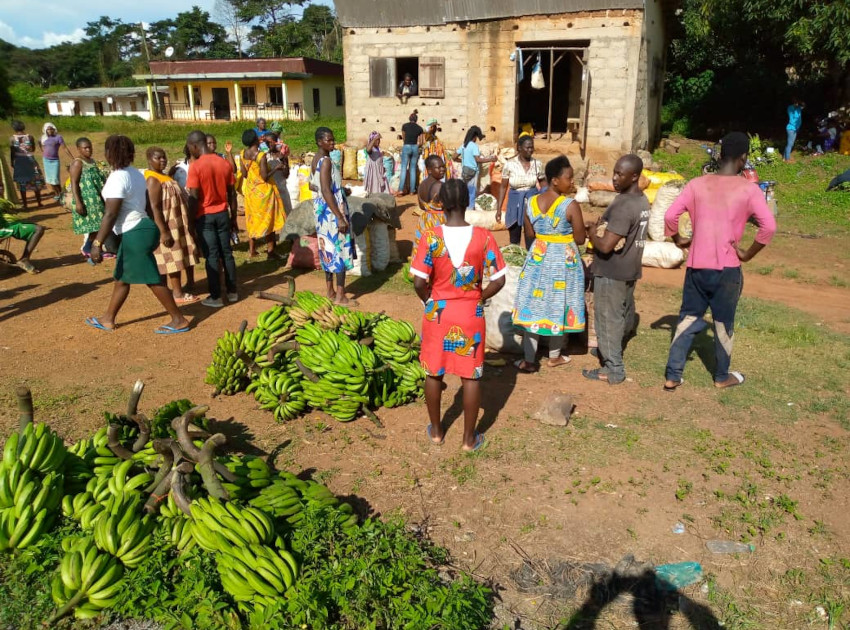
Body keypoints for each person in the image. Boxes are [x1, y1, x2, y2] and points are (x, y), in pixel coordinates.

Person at [663, 132, 777, 392]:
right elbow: (768, 227)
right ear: (744, 158)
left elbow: (670, 216)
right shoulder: (749, 189)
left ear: (720, 155)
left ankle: (672, 375)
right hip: (727, 269)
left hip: (696, 266)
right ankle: (722, 376)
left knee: (688, 318)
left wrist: (678, 240)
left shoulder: (696, 184)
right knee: (723, 323)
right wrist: (747, 254)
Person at [411, 179, 507, 452]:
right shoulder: (483, 237)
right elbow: (499, 278)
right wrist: (479, 297)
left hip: (438, 313)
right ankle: (468, 438)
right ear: (467, 202)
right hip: (470, 313)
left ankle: (438, 432)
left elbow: (418, 281)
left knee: (434, 373)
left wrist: (430, 301)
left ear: (440, 203)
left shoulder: (431, 237)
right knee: (471, 375)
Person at [85, 135, 190, 334]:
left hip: (135, 231)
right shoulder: (135, 173)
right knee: (123, 276)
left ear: (110, 154)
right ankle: (108, 318)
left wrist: (97, 243)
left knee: (152, 278)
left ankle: (179, 319)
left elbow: (110, 213)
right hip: (141, 228)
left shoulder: (118, 177)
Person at [512, 156, 586, 372]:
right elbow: (580, 239)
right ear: (555, 180)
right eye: (569, 178)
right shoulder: (570, 205)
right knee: (559, 302)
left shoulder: (531, 203)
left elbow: (529, 234)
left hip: (538, 256)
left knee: (532, 304)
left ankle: (529, 359)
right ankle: (554, 356)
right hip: (563, 261)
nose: (572, 182)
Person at [582, 154, 649, 385]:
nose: (615, 178)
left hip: (612, 271)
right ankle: (610, 350)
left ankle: (613, 369)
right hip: (630, 267)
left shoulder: (623, 205)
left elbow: (606, 245)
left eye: (620, 174)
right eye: (615, 172)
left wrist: (591, 231)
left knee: (607, 317)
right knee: (622, 313)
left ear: (635, 176)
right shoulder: (642, 200)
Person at [185, 129, 239, 308]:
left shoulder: (196, 166)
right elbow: (232, 193)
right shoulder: (224, 163)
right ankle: (232, 292)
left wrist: (190, 222)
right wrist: (233, 217)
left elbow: (193, 197)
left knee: (212, 256)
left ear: (194, 146)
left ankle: (215, 296)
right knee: (227, 253)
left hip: (205, 216)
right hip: (223, 213)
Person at [144, 147, 200, 305]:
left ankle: (168, 290)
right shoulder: (151, 179)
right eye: (158, 158)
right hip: (167, 224)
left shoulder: (162, 176)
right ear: (149, 160)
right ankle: (177, 293)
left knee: (175, 256)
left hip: (176, 223)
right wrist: (163, 231)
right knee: (172, 259)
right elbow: (154, 207)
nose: (163, 160)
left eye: (164, 157)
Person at [311, 127, 354, 304]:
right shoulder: (327, 161)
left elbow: (314, 186)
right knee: (340, 250)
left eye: (332, 139)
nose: (332, 142)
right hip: (331, 212)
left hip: (321, 212)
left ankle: (329, 291)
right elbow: (326, 190)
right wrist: (339, 216)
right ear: (320, 142)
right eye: (328, 140)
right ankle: (340, 295)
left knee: (326, 249)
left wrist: (340, 190)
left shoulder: (316, 159)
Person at [240, 129, 285, 259]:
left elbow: (244, 174)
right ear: (256, 140)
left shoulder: (243, 153)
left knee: (252, 219)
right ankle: (271, 251)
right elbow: (264, 177)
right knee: (268, 220)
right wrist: (276, 168)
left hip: (250, 191)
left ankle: (252, 250)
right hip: (264, 192)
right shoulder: (261, 156)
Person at [496, 135, 545, 247]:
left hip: (532, 202)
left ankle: (530, 258)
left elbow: (543, 185)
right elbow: (503, 187)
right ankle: (515, 256)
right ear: (519, 148)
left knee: (531, 236)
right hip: (515, 202)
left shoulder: (537, 164)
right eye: (527, 148)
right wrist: (498, 209)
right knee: (514, 236)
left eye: (532, 147)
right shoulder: (510, 165)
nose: (530, 150)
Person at [69, 137, 107, 260]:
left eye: (90, 147)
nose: (88, 149)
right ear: (78, 149)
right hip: (87, 200)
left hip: (96, 197)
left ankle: (90, 247)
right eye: (85, 148)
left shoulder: (92, 161)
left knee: (99, 225)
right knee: (95, 226)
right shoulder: (77, 163)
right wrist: (78, 203)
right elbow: (74, 183)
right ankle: (88, 248)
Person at [413, 155, 446, 255]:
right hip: (438, 222)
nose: (442, 169)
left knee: (424, 252)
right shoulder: (440, 186)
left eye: (443, 166)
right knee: (439, 253)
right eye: (438, 167)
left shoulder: (422, 184)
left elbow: (422, 206)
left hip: (425, 221)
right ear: (429, 170)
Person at [9, 120, 43, 210]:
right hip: (31, 160)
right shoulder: (30, 137)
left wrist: (12, 162)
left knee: (22, 182)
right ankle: (39, 202)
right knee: (35, 181)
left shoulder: (12, 139)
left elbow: (13, 152)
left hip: (20, 161)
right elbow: (33, 149)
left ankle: (25, 204)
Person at [460, 126, 496, 211]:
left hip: (464, 171)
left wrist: (463, 161)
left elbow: (454, 157)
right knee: (472, 192)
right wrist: (491, 159)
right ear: (475, 136)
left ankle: (463, 210)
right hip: (472, 172)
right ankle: (470, 210)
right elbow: (478, 159)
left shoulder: (463, 145)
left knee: (464, 191)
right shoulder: (474, 146)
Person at [39, 122, 74, 204]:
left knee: (55, 179)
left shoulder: (58, 137)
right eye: (48, 129)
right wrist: (42, 151)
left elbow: (64, 148)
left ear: (54, 129)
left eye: (51, 129)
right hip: (46, 160)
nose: (50, 131)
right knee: (50, 179)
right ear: (45, 130)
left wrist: (73, 158)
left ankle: (61, 194)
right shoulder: (43, 138)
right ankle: (57, 194)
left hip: (54, 161)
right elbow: (39, 144)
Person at [265, 132, 293, 219]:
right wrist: (276, 168)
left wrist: (284, 161)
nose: (269, 144)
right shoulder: (265, 157)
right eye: (267, 142)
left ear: (276, 142)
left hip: (282, 189)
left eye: (271, 142)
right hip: (270, 190)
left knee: (287, 215)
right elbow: (264, 177)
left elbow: (286, 175)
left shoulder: (282, 156)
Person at [398, 111, 424, 196]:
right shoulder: (419, 128)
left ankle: (401, 190)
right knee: (413, 169)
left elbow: (403, 137)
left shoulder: (404, 126)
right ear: (416, 120)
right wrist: (416, 146)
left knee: (404, 168)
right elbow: (421, 142)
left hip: (406, 146)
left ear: (409, 119)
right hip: (415, 148)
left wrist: (406, 143)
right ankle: (412, 191)